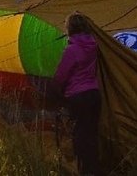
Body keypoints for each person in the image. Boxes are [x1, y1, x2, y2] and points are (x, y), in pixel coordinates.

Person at [52, 12, 101, 176]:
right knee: (92, 133)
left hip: (78, 96)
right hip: (94, 94)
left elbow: (61, 75)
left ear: (70, 28)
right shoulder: (94, 45)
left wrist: (56, 92)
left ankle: (84, 170)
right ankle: (94, 168)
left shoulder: (71, 50)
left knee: (80, 135)